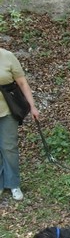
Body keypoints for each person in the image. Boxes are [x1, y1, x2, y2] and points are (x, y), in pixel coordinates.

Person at [0, 47, 39, 201]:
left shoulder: (8, 56)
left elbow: (22, 83)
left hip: (7, 110)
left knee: (8, 147)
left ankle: (13, 184)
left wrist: (33, 107)